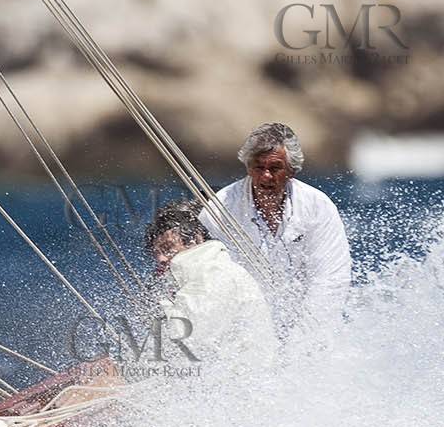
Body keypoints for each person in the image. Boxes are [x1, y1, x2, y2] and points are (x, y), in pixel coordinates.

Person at [203, 122, 350, 332]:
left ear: (291, 171)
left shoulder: (318, 207)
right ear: (248, 168)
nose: (265, 176)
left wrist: (304, 343)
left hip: (307, 322)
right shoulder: (218, 210)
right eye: (258, 167)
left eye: (274, 168)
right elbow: (213, 283)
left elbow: (331, 279)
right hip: (241, 324)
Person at [143, 202, 276, 372]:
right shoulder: (202, 274)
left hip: (239, 383)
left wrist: (160, 306)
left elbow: (190, 343)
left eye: (168, 248)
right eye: (156, 253)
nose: (161, 259)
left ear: (196, 239)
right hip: (225, 377)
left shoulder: (215, 274)